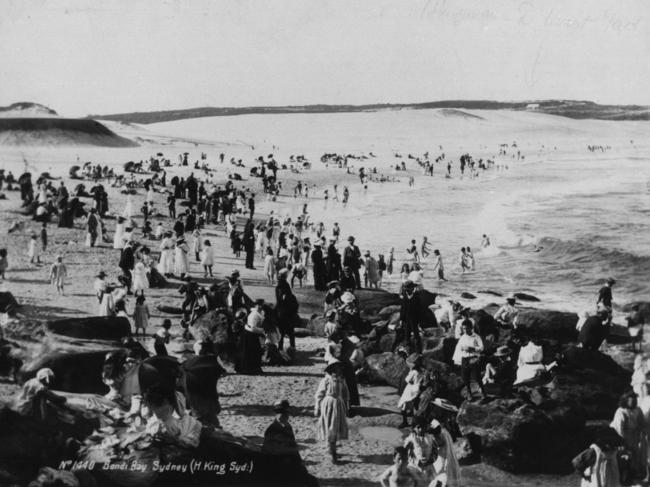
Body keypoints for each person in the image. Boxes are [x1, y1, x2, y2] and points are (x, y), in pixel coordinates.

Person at [610, 392, 647, 481]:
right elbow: (619, 428)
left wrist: (643, 432)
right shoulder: (621, 411)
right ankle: (622, 475)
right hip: (621, 434)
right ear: (626, 401)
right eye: (632, 401)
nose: (634, 402)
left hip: (633, 435)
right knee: (623, 454)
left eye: (635, 400)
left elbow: (641, 423)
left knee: (634, 454)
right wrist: (621, 442)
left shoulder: (638, 410)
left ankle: (633, 472)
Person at [262, 399, 302, 466]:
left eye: (285, 413)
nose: (283, 415)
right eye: (280, 413)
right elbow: (269, 451)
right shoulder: (272, 430)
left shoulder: (288, 427)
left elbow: (292, 444)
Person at [452, 320, 484, 399]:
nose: (465, 330)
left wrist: (472, 348)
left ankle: (483, 391)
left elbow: (481, 348)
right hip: (465, 359)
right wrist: (458, 359)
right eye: (463, 329)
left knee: (477, 376)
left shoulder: (476, 337)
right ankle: (469, 393)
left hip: (473, 358)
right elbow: (458, 349)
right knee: (465, 377)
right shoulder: (462, 338)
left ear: (471, 328)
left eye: (466, 328)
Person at [391, 281, 424, 354]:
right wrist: (401, 320)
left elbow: (419, 311)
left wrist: (419, 322)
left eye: (408, 289)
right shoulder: (405, 297)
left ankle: (419, 352)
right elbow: (403, 309)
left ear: (412, 289)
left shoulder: (416, 298)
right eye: (405, 289)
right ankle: (408, 350)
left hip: (414, 320)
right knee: (407, 334)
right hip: (406, 319)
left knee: (416, 336)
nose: (406, 291)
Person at [430, 418, 461, 487]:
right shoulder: (444, 432)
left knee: (442, 476)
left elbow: (439, 443)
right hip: (444, 457)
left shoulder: (442, 435)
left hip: (443, 459)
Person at [403, 416, 436, 481]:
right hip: (415, 467)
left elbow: (435, 451)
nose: (421, 429)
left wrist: (432, 460)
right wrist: (416, 461)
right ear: (414, 428)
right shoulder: (412, 438)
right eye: (418, 427)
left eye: (423, 427)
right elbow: (405, 453)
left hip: (428, 467)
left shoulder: (430, 437)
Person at [397, 354, 426, 428]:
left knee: (403, 405)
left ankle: (405, 422)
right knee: (415, 406)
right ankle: (416, 422)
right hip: (418, 389)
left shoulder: (413, 372)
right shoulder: (422, 371)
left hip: (410, 390)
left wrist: (411, 381)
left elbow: (407, 380)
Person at [236, 302, 265, 374]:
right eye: (258, 305)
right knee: (249, 353)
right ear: (255, 306)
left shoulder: (261, 313)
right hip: (249, 335)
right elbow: (252, 328)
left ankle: (253, 369)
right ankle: (247, 369)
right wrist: (262, 330)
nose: (260, 306)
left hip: (253, 335)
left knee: (254, 352)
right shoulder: (253, 315)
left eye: (261, 305)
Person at [276, 268, 299, 351]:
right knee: (290, 332)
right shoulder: (283, 285)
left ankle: (280, 347)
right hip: (286, 312)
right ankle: (292, 346)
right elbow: (284, 298)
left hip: (282, 312)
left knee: (281, 332)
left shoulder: (280, 284)